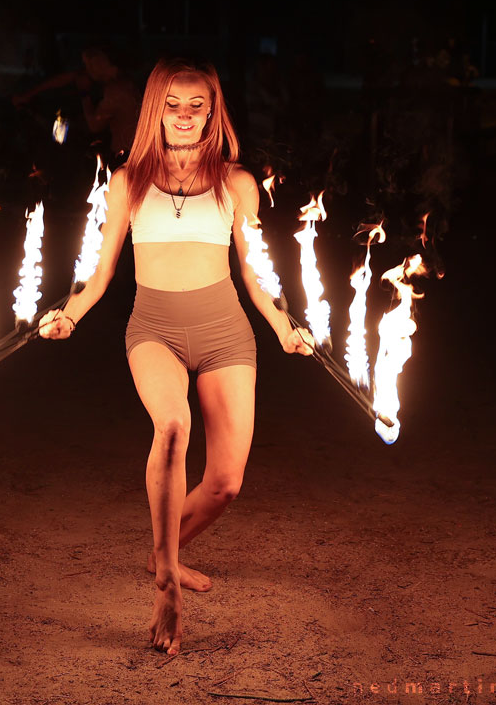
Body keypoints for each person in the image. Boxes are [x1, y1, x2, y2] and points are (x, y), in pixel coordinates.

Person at [39, 57, 313, 656]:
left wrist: (282, 327)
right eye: (173, 106)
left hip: (226, 331)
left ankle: (164, 550)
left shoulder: (238, 184)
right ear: (154, 110)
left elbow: (254, 272)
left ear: (213, 112)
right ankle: (167, 583)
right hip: (155, 328)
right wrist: (70, 315)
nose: (185, 118)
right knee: (171, 427)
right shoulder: (127, 182)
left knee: (225, 484)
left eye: (198, 107)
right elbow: (102, 272)